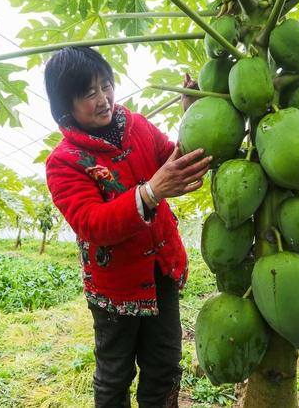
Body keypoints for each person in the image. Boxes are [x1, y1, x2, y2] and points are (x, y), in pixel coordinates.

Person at [43, 46, 211, 408]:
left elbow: (173, 160)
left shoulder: (137, 125)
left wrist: (193, 113)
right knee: (116, 372)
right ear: (65, 105)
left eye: (106, 85)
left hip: (162, 270)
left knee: (165, 363)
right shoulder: (64, 162)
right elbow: (92, 223)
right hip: (114, 288)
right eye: (88, 93)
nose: (103, 99)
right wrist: (150, 193)